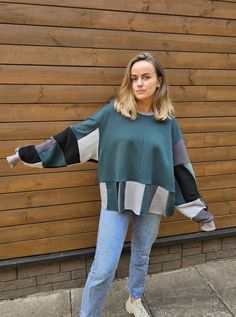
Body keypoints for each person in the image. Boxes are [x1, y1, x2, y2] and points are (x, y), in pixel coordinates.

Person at [7, 52, 215, 317]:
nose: (139, 83)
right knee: (104, 268)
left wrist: (199, 211)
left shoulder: (168, 123)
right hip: (116, 198)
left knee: (141, 254)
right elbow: (72, 138)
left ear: (159, 81)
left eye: (146, 77)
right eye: (134, 78)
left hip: (152, 199)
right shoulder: (113, 113)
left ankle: (134, 299)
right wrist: (26, 153)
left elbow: (180, 168)